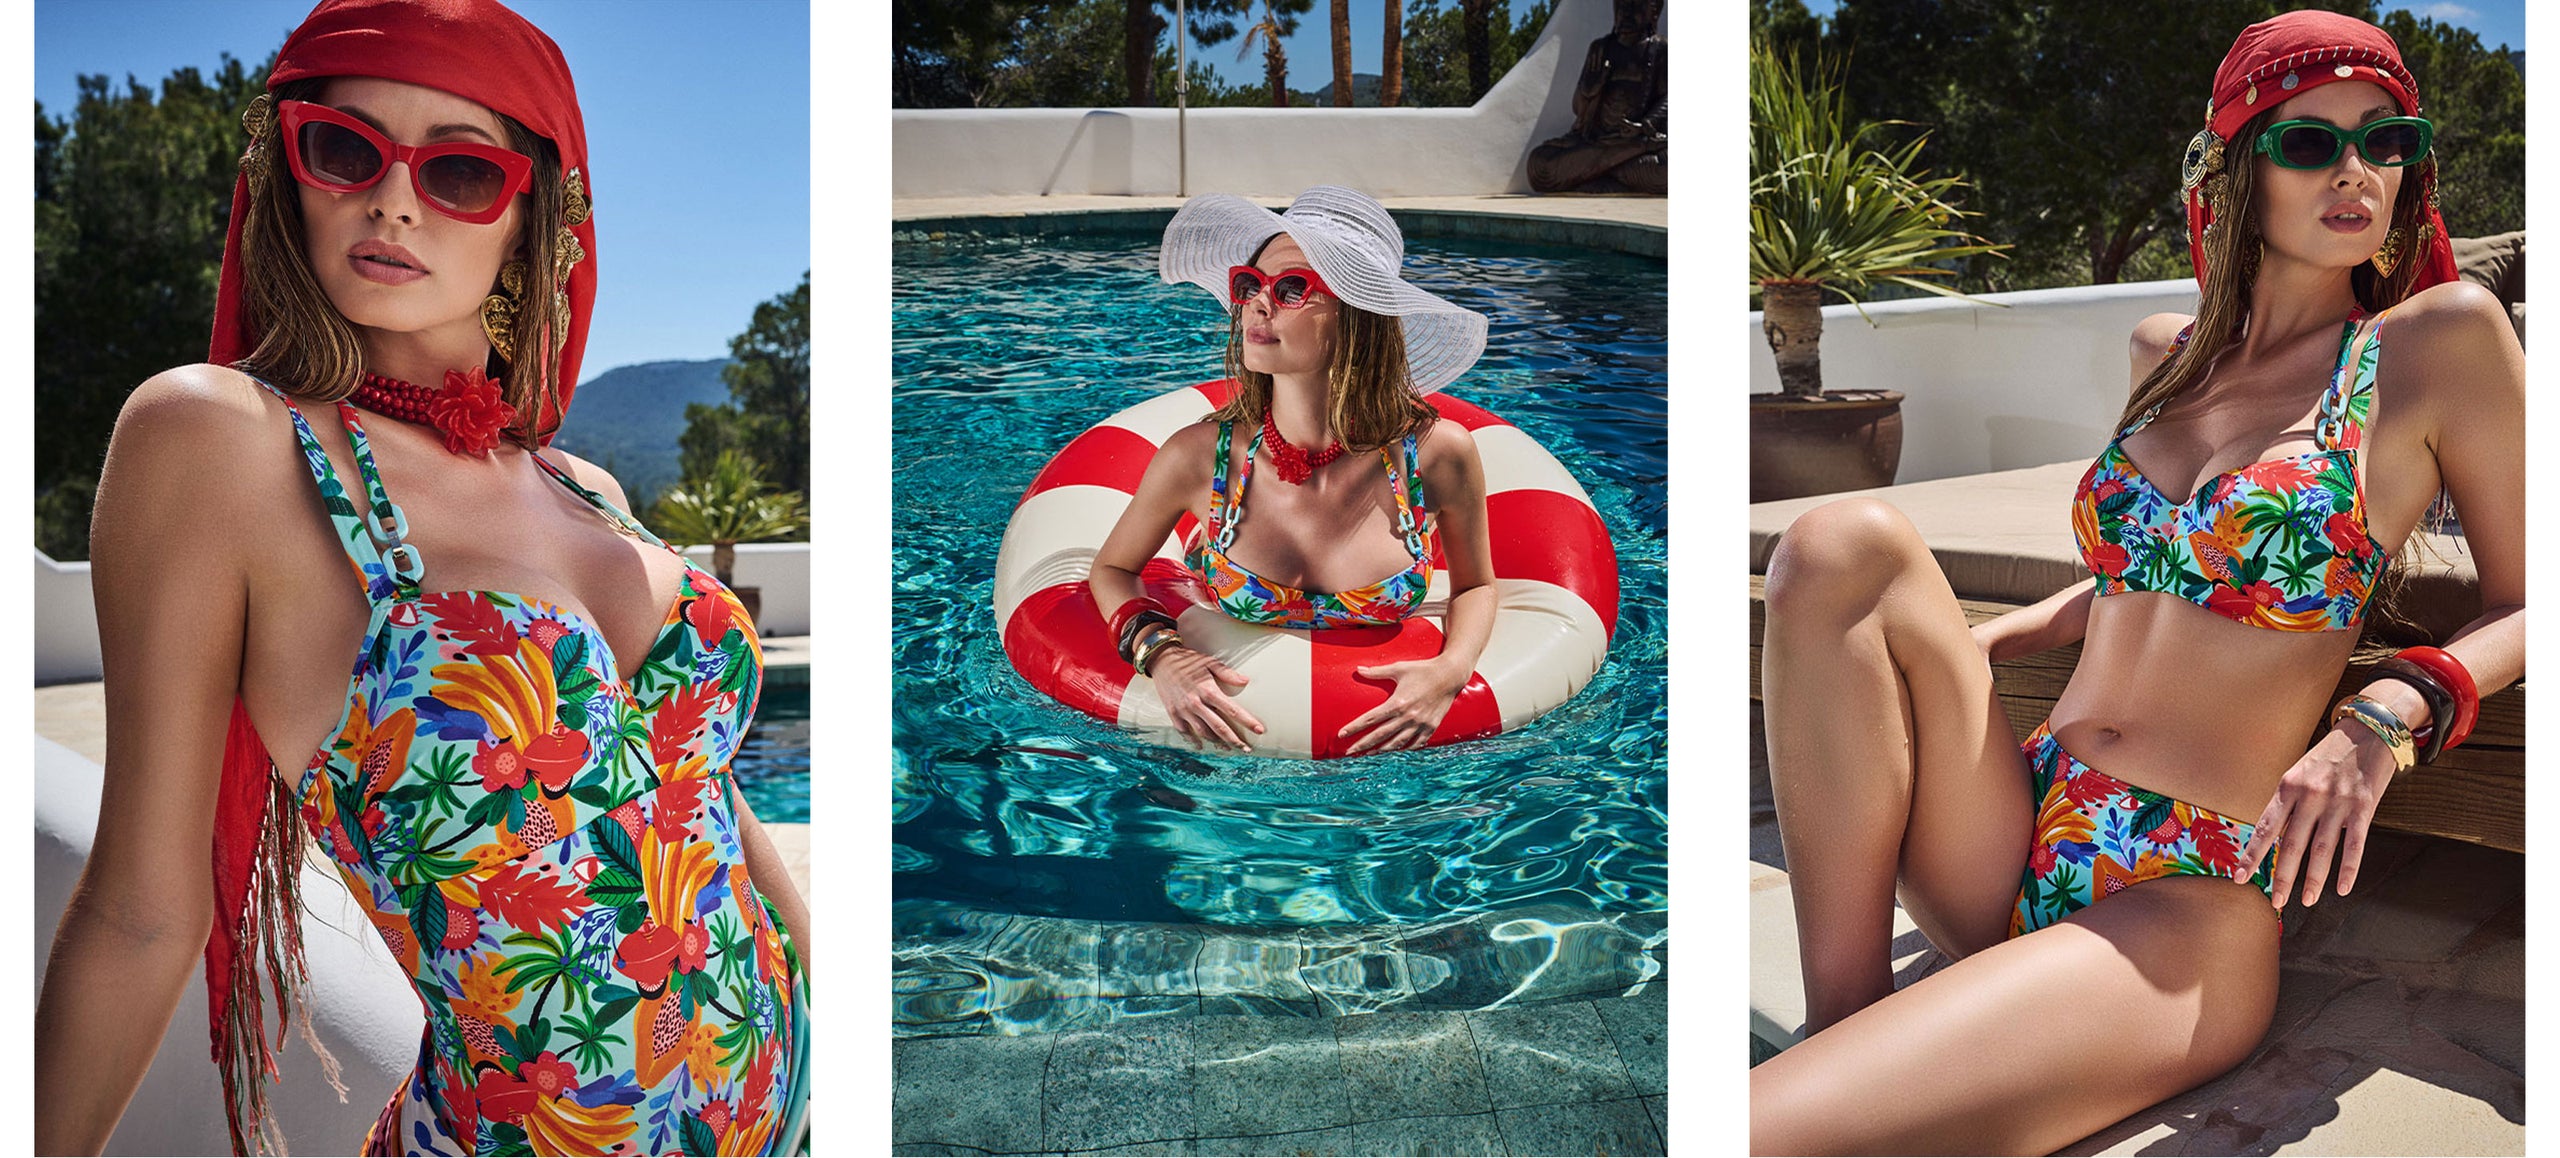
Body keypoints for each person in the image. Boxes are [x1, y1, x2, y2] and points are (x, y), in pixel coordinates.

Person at [32, 2, 811, 1154]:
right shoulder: (225, 442)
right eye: (345, 150)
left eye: (457, 170)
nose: (392, 199)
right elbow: (144, 911)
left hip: (794, 1104)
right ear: (285, 168)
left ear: (532, 217)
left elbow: (693, 791)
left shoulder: (583, 481)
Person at [1750, 11, 2523, 1154]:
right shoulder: (2167, 357)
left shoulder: (2431, 347)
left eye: (2387, 140)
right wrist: (1996, 639)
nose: (2356, 171)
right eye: (2310, 144)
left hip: (2185, 890)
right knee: (1835, 543)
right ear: (2235, 168)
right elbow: (2142, 576)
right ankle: (1845, 1019)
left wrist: (2389, 713)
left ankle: (1856, 1083)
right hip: (2021, 811)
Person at [1088, 186, 1498, 755]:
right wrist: (1158, 653)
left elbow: (1477, 584)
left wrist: (1453, 669)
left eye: (1290, 288)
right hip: (1224, 765)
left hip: (1392, 771)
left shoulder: (1434, 454)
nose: (1259, 303)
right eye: (1249, 284)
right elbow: (1111, 568)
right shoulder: (1199, 457)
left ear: (1358, 310)